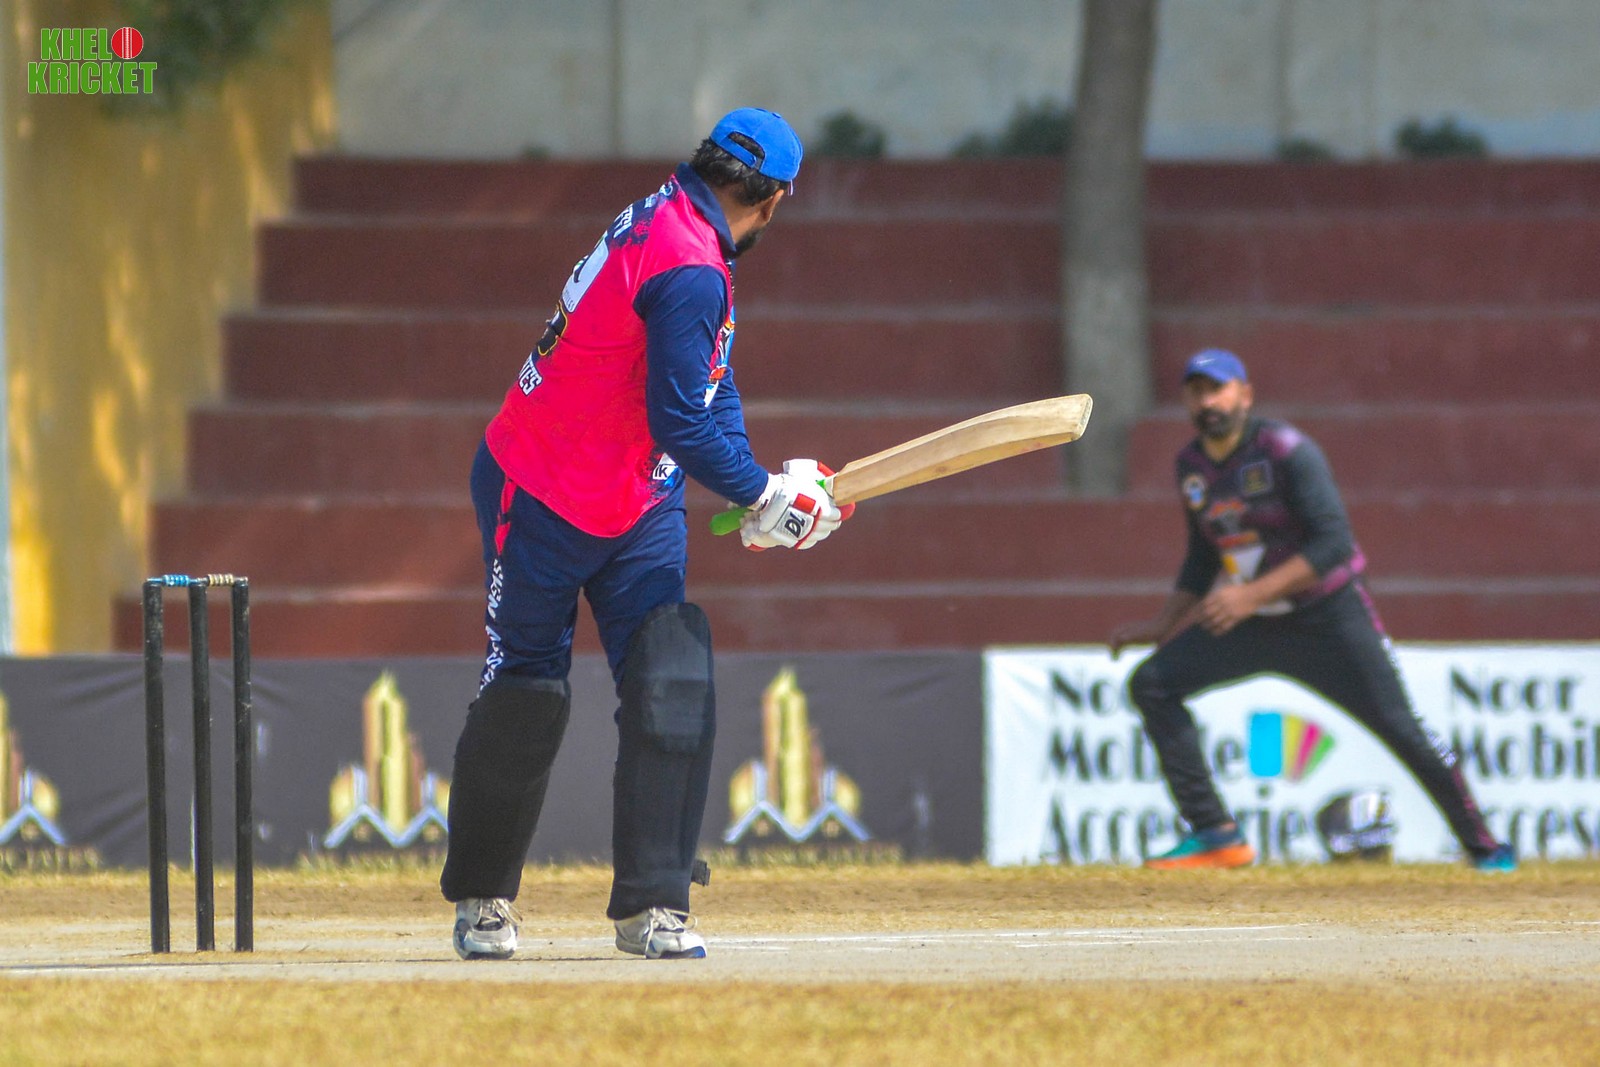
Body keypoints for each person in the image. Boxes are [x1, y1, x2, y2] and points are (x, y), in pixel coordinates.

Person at [440, 108, 849, 961]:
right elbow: (680, 419)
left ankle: (653, 906)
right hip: (540, 487)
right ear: (775, 200)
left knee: (673, 679)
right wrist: (763, 490)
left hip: (639, 502)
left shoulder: (678, 220)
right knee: (527, 690)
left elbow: (710, 383)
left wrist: (758, 489)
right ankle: (484, 899)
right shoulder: (691, 264)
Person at [1108, 349, 1515, 872]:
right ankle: (1215, 835)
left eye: (1218, 389)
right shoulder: (1192, 467)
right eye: (1197, 392)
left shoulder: (1286, 450)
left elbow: (1334, 544)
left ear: (1245, 395)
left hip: (1328, 618)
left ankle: (1486, 849)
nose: (1208, 402)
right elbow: (1204, 553)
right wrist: (1163, 623)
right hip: (1252, 623)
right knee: (1152, 685)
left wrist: (1249, 595)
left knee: (1401, 727)